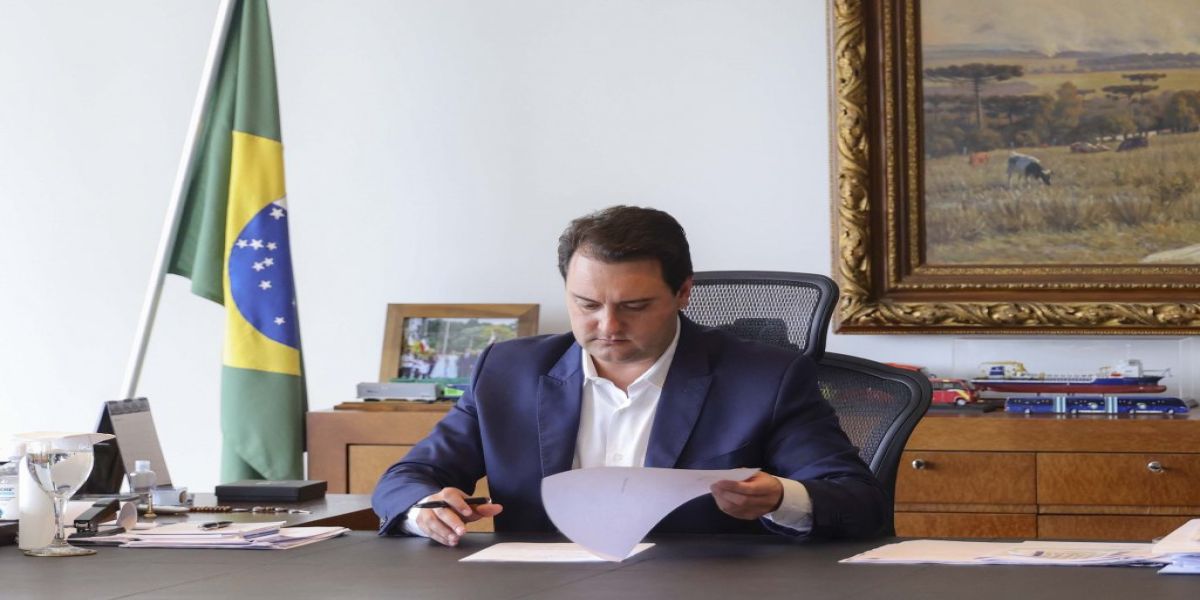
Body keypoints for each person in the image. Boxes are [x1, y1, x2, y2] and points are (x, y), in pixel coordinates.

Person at [371, 206, 888, 546]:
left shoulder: (764, 378)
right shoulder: (509, 371)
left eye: (634, 306)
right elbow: (407, 478)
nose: (608, 326)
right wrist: (425, 509)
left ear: (683, 293)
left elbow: (857, 500)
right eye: (586, 304)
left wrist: (780, 498)